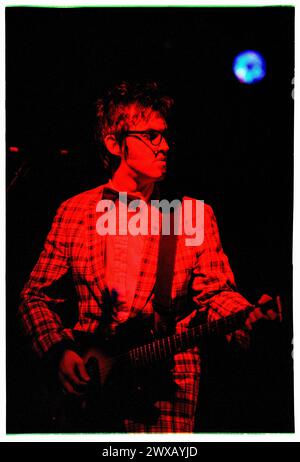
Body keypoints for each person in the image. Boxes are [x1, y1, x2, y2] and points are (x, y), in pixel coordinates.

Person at [18, 81, 277, 433]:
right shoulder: (74, 211)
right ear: (114, 143)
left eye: (165, 135)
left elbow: (216, 294)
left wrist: (246, 316)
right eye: (151, 136)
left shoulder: (192, 215)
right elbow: (34, 296)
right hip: (88, 394)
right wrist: (58, 351)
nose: (165, 146)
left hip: (164, 390)